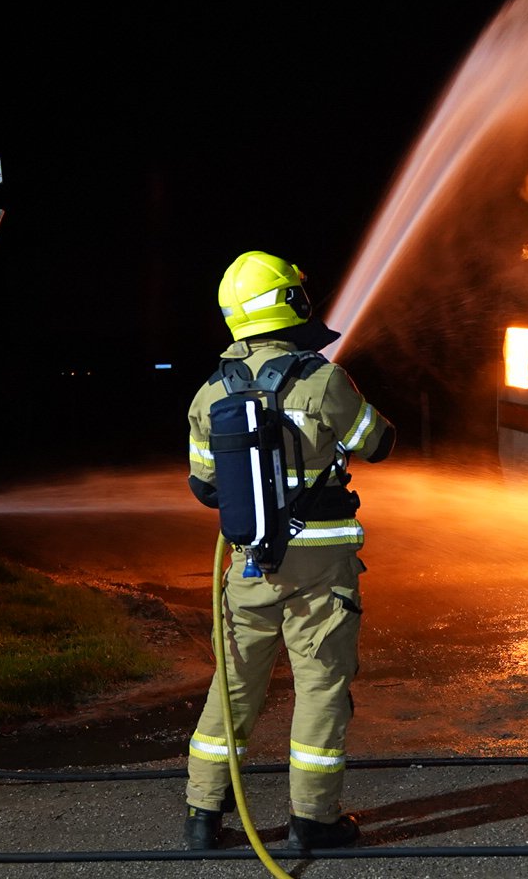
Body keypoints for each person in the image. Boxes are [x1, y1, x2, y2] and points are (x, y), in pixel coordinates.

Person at [182, 251, 396, 852]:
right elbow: (376, 443)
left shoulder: (208, 395)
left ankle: (203, 816)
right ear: (289, 304)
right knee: (321, 686)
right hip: (319, 568)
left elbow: (204, 488)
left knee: (233, 686)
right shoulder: (322, 379)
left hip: (247, 566)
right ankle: (312, 822)